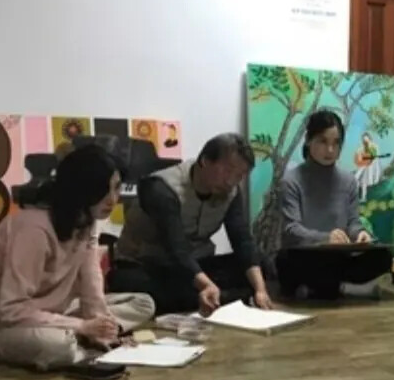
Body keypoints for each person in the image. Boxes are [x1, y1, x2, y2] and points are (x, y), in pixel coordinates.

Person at [0, 144, 155, 370]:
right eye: (103, 190)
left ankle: (81, 339)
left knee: (143, 303)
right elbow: (10, 310)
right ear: (80, 190)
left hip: (49, 314)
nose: (112, 199)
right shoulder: (34, 228)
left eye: (116, 188)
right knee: (59, 346)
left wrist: (102, 328)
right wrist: (82, 326)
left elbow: (91, 283)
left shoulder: (87, 221)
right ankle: (76, 343)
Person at [107, 133, 271, 316]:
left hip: (195, 265)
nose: (230, 181)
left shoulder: (230, 191)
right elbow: (177, 249)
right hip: (148, 264)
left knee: (261, 265)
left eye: (239, 175)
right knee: (142, 286)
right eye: (227, 170)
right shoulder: (161, 188)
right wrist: (206, 285)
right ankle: (224, 297)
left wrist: (260, 290)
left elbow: (242, 240)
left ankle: (220, 297)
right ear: (205, 161)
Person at [276, 110, 393, 299]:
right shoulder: (292, 180)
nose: (330, 150)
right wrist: (325, 238)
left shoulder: (349, 181)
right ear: (308, 140)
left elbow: (353, 222)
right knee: (287, 262)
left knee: (384, 256)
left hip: (338, 258)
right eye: (323, 141)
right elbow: (291, 229)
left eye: (336, 143)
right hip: (306, 258)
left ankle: (324, 289)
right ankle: (345, 288)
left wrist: (360, 234)